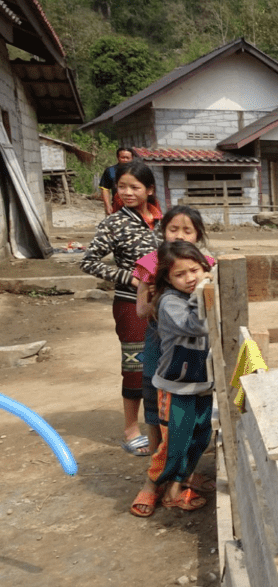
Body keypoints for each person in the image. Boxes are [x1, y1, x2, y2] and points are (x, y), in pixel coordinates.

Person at [132, 205, 217, 498]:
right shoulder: (170, 302)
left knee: (200, 435)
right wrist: (202, 292)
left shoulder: (206, 289)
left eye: (195, 270)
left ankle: (180, 484)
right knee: (173, 442)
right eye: (180, 274)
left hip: (204, 382)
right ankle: (152, 485)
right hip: (176, 383)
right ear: (168, 279)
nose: (190, 277)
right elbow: (197, 326)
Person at [81, 159, 162, 457]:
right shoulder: (114, 222)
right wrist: (129, 278)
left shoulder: (163, 222)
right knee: (135, 367)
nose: (127, 192)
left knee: (162, 365)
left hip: (165, 305)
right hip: (131, 304)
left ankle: (160, 427)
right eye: (122, 187)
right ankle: (131, 430)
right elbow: (88, 261)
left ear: (149, 190)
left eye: (134, 187)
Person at [99, 148, 135, 215]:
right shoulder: (110, 171)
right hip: (117, 206)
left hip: (135, 206)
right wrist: (107, 205)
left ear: (132, 158)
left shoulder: (138, 171)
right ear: (118, 157)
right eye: (123, 157)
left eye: (127, 158)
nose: (125, 160)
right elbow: (104, 188)